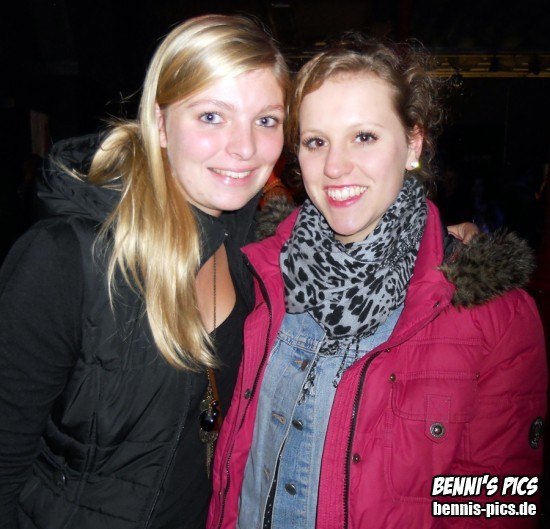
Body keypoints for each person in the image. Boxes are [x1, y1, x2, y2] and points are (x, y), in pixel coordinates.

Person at [207, 33, 547, 529]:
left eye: (364, 137)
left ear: (412, 144)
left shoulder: (494, 316)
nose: (335, 166)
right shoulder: (263, 272)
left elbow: (497, 505)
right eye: (317, 141)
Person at [0, 14, 289, 529]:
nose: (245, 148)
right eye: (211, 116)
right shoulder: (65, 259)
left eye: (266, 120)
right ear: (159, 123)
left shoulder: (250, 253)